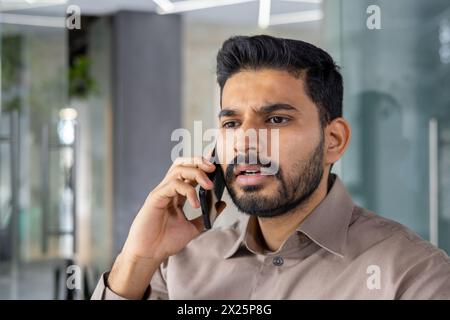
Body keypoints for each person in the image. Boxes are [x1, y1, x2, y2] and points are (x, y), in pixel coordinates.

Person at [92, 35, 450, 299]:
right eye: (232, 124)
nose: (247, 142)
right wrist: (137, 259)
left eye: (276, 119)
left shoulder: (413, 276)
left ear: (334, 140)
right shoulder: (180, 265)